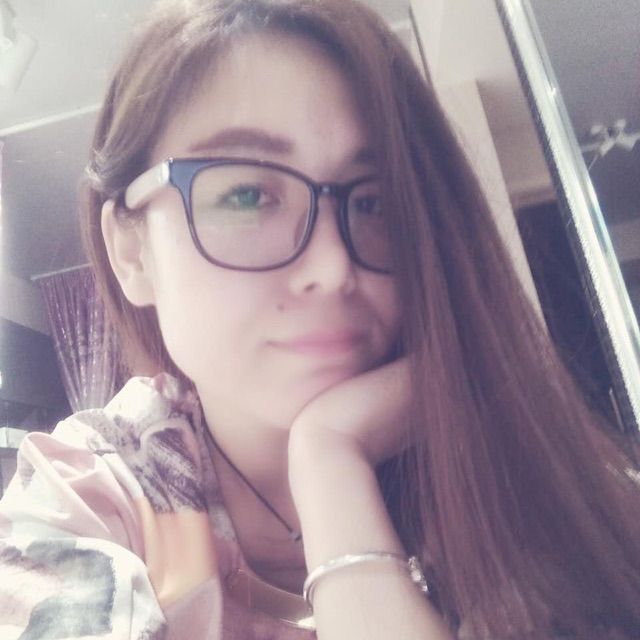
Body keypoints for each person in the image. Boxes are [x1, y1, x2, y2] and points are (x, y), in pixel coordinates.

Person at [1, 0, 640, 638]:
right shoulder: (86, 499)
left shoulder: (548, 486)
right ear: (131, 251)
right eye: (247, 195)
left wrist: (330, 460)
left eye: (375, 201)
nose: (334, 267)